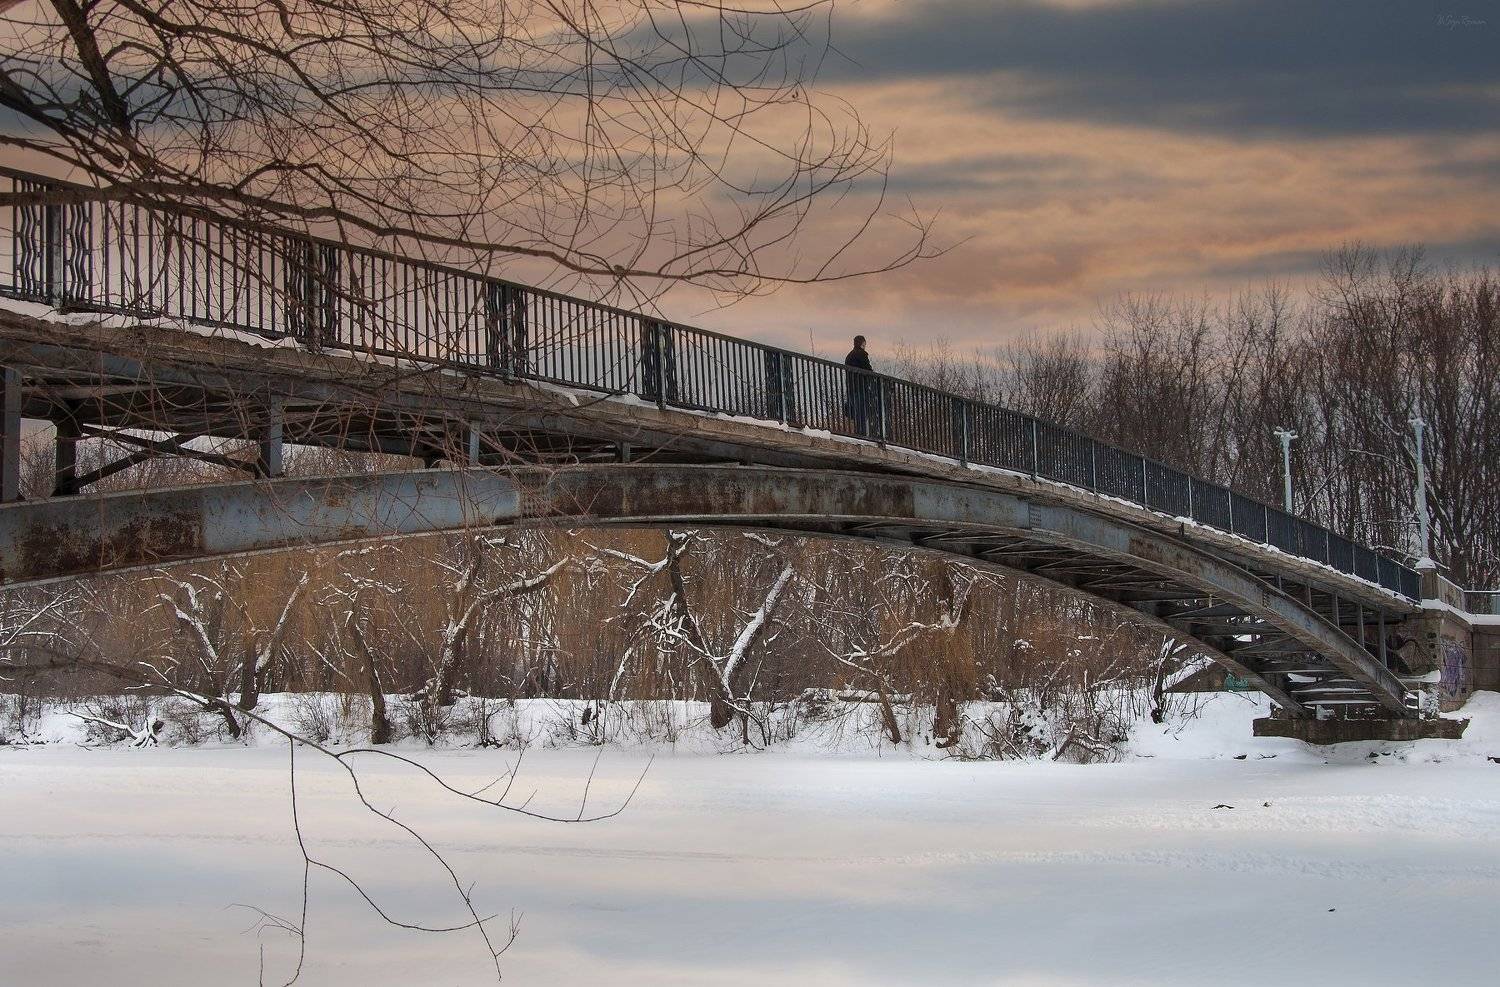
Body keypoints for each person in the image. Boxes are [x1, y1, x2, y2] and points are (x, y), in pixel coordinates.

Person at [843, 335, 876, 436]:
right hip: (860, 387)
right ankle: (862, 434)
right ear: (863, 343)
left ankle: (858, 432)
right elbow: (868, 370)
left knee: (856, 411)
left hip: (851, 388)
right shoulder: (862, 354)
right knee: (862, 412)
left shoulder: (849, 356)